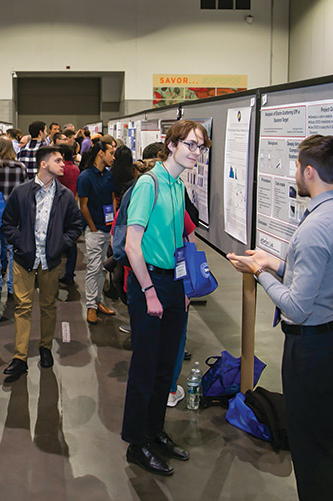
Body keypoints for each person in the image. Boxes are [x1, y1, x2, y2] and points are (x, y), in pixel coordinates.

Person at [227, 134, 333, 501]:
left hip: (311, 348)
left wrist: (259, 272)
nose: (295, 178)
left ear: (309, 172)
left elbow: (298, 307)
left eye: (298, 170)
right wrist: (276, 263)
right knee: (325, 445)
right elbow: (316, 278)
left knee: (309, 450)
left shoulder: (316, 227)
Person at [121, 120, 210, 477]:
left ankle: (154, 431)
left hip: (172, 287)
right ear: (170, 145)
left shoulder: (176, 184)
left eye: (200, 147)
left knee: (165, 367)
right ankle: (136, 443)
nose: (195, 152)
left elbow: (179, 244)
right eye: (189, 144)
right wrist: (149, 292)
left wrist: (184, 289)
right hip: (149, 287)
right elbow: (131, 244)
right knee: (144, 368)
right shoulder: (149, 183)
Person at [1, 146, 82, 375]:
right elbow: (7, 223)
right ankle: (20, 357)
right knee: (22, 307)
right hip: (24, 260)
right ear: (43, 164)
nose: (63, 164)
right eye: (57, 160)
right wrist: (21, 242)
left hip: (50, 262)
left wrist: (60, 244)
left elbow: (75, 226)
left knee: (48, 307)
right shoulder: (21, 192)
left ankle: (45, 347)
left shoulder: (65, 195)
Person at [77, 137, 118, 324]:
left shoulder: (109, 175)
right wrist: (93, 227)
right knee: (94, 269)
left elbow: (112, 199)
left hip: (107, 228)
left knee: (101, 268)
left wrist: (113, 222)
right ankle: (91, 306)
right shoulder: (85, 177)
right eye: (111, 153)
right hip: (95, 231)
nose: (113, 157)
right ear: (100, 153)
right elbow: (83, 205)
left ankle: (98, 301)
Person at [0, 137, 27, 297]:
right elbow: (25, 191)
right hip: (15, 214)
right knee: (14, 251)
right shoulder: (20, 167)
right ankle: (11, 286)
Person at [57, 141, 81, 286]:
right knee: (71, 244)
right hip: (72, 206)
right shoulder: (75, 169)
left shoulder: (60, 169)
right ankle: (69, 274)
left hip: (58, 207)